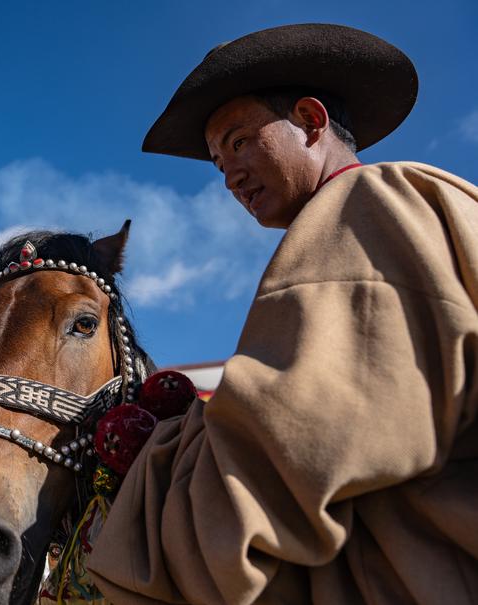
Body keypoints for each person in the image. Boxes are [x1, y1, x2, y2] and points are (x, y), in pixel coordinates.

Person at [86, 24, 478, 605]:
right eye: (219, 164)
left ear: (311, 120)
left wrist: (143, 476)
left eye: (240, 142)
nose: (230, 177)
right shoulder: (427, 202)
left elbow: (291, 456)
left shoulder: (366, 204)